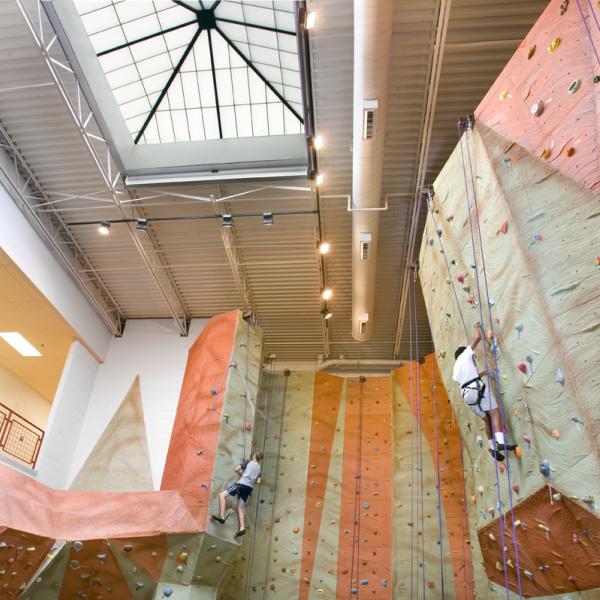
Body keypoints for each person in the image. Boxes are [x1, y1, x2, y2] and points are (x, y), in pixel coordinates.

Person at [453, 323, 515, 462]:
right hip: (476, 388)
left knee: (486, 419)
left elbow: (463, 382)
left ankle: (492, 446)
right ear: (464, 353)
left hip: (467, 396)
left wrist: (481, 374)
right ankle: (500, 441)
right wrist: (476, 327)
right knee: (494, 412)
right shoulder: (465, 355)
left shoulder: (455, 369)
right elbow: (478, 337)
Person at [211, 452, 263, 538]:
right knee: (239, 507)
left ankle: (222, 516)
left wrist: (242, 475)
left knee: (222, 495)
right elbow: (258, 482)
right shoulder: (260, 469)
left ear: (254, 456)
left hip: (242, 484)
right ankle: (242, 528)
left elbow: (236, 469)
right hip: (249, 488)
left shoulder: (248, 462)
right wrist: (252, 478)